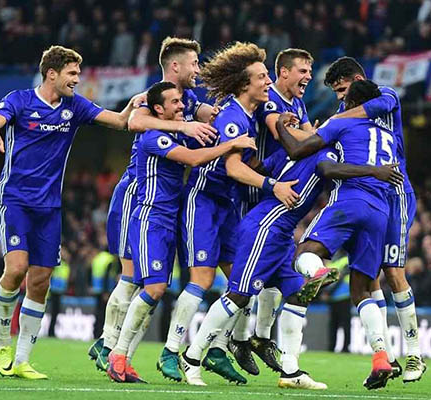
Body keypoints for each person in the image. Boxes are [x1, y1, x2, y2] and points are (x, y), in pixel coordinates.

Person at [0, 45, 143, 380]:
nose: (77, 79)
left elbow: (120, 122)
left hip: (49, 206)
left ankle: (22, 360)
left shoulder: (74, 106)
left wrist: (133, 104)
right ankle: (2, 343)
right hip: (16, 199)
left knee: (40, 280)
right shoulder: (20, 100)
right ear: (52, 74)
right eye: (72, 73)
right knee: (16, 269)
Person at [106, 81, 257, 383]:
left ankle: (124, 357)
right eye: (174, 102)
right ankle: (116, 353)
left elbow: (202, 142)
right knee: (153, 288)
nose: (181, 106)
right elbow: (193, 159)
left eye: (180, 101)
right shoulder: (154, 137)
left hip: (169, 219)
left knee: (159, 289)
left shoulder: (178, 134)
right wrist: (232, 144)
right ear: (158, 109)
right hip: (150, 218)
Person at [89, 36, 219, 373]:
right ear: (175, 66)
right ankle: (108, 344)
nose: (198, 69)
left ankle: (118, 351)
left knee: (151, 283)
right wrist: (183, 126)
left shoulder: (186, 99)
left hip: (165, 198)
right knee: (132, 278)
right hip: (137, 192)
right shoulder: (152, 98)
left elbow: (210, 115)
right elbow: (135, 122)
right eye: (194, 63)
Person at [173, 42, 296, 386]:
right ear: (245, 85)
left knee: (241, 282)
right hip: (204, 200)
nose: (268, 82)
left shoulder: (251, 115)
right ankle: (175, 351)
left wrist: (283, 149)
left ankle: (219, 346)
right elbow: (234, 169)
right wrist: (273, 185)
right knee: (203, 279)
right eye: (262, 77)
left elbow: (252, 163)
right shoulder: (232, 116)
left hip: (226, 205)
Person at [276, 79, 400, 390]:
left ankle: (318, 272)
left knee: (304, 253)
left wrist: (280, 126)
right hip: (380, 212)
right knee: (362, 291)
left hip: (350, 200)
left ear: (353, 104)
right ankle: (381, 358)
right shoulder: (388, 135)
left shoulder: (341, 123)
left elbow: (298, 151)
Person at [324, 56, 426, 383]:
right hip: (369, 197)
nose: (341, 98)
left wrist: (332, 121)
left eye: (343, 90)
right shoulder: (345, 113)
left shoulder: (386, 95)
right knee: (370, 278)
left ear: (357, 80)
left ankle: (415, 355)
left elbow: (366, 110)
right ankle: (388, 357)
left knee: (393, 272)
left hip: (395, 193)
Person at [231, 47, 317, 377]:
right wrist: (317, 135)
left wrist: (313, 135)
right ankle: (235, 340)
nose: (308, 76)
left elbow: (310, 136)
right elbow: (292, 137)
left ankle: (260, 338)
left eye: (309, 71)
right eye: (302, 71)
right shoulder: (272, 103)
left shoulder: (297, 103)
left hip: (278, 195)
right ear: (284, 72)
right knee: (246, 275)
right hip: (257, 192)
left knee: (274, 272)